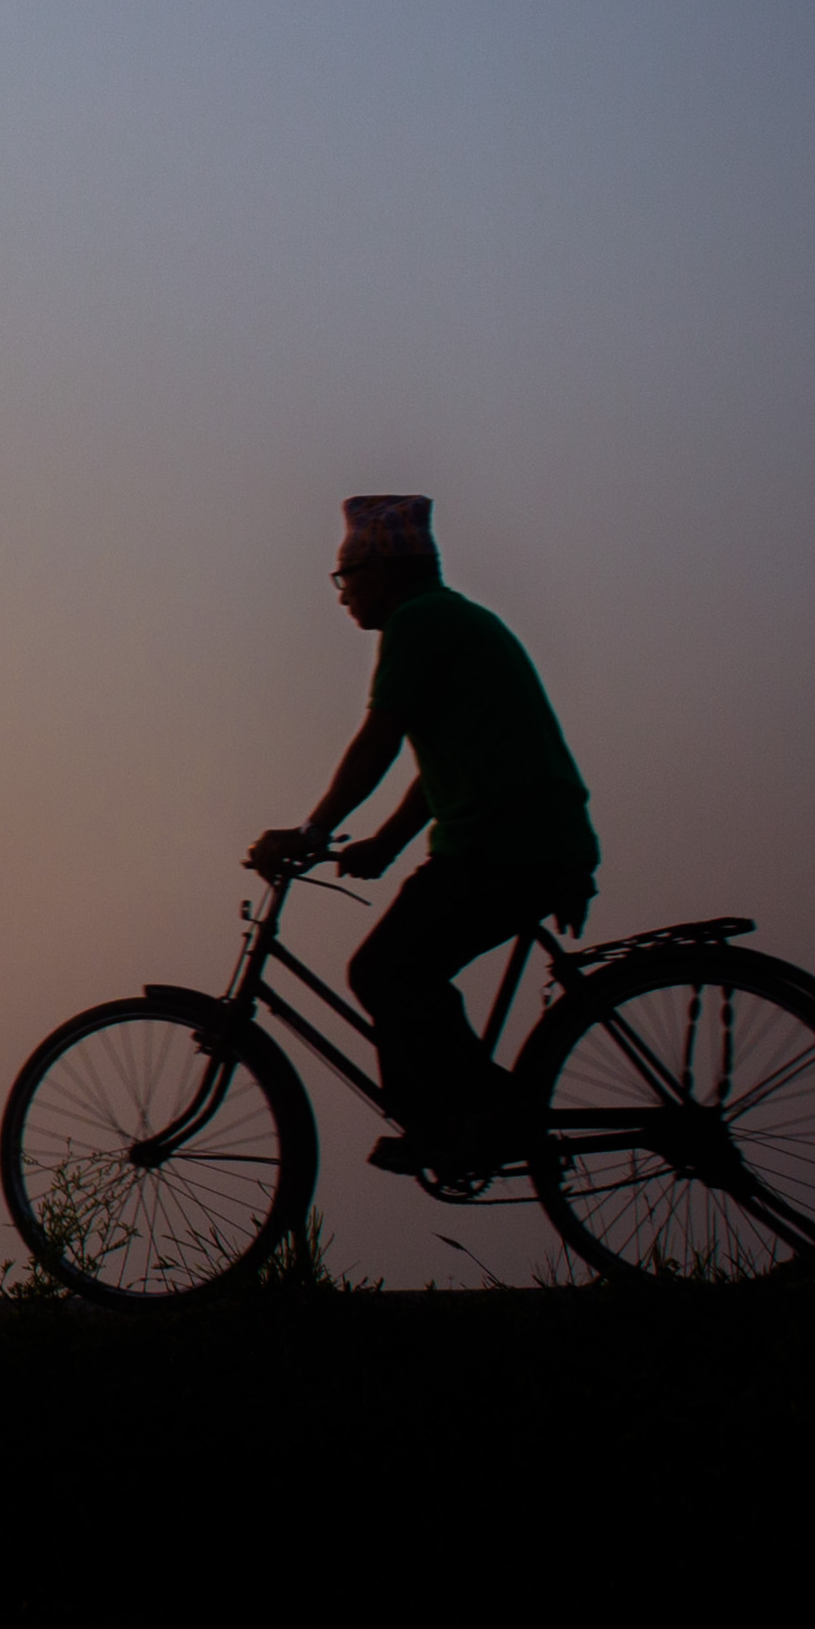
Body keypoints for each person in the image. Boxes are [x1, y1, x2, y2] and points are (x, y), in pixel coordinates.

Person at [256, 495, 603, 1178]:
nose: (343, 594)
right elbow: (439, 768)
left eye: (346, 576)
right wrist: (384, 842)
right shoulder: (453, 619)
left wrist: (312, 828)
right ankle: (460, 1121)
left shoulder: (418, 623)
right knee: (402, 969)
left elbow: (379, 743)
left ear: (384, 570)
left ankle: (485, 1115)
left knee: (386, 970)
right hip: (525, 837)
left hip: (505, 842)